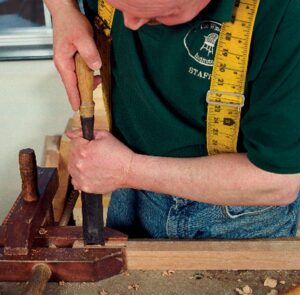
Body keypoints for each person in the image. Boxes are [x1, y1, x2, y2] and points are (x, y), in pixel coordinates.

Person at [45, 0, 300, 239]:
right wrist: (63, 12)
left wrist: (128, 170)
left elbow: (278, 183)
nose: (129, 24)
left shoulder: (287, 13)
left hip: (239, 214)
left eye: (156, 16)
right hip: (128, 189)